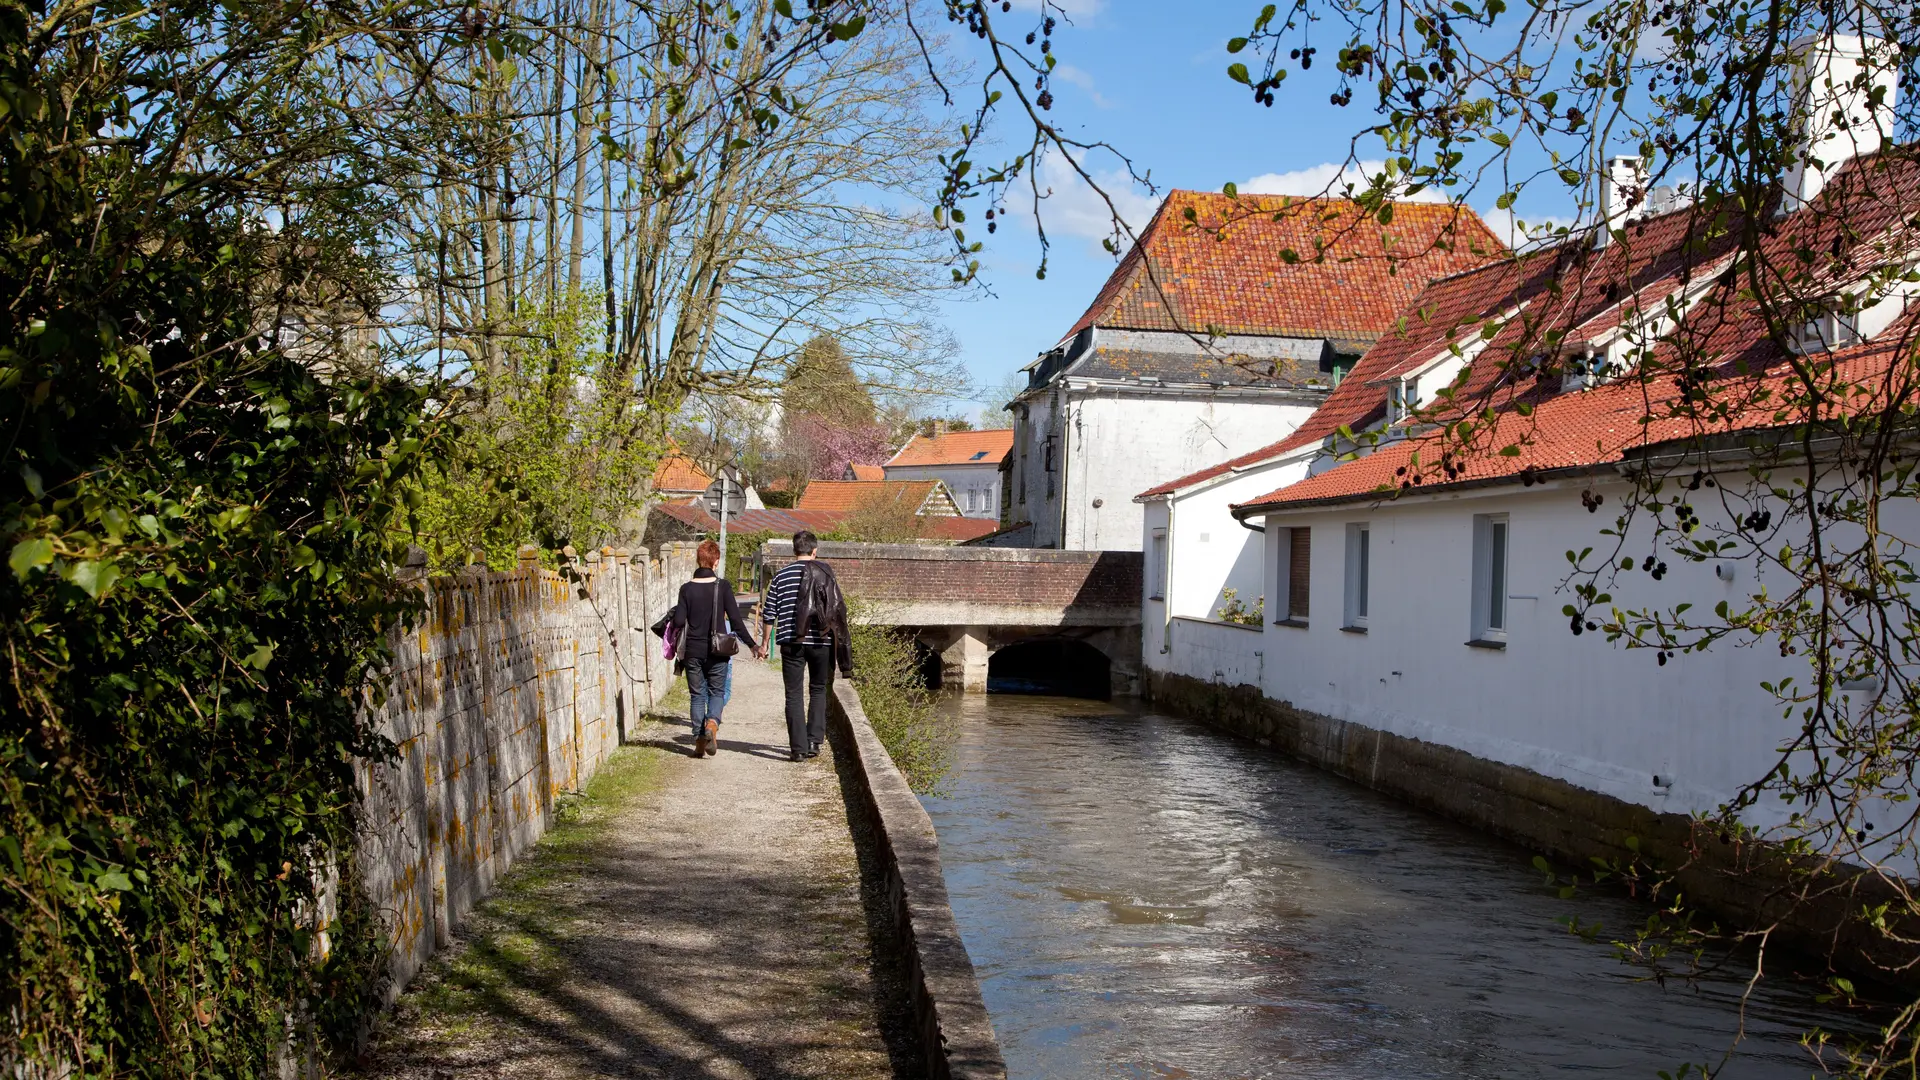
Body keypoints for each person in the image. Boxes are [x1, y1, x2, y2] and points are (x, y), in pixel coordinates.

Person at [760, 530, 853, 762]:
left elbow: (769, 613)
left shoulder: (781, 576)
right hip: (821, 641)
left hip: (791, 642)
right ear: (814, 551)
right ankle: (814, 741)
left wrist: (764, 644)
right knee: (818, 689)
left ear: (794, 551)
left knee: (793, 694)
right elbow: (837, 608)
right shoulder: (825, 572)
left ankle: (798, 749)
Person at [670, 539, 762, 757]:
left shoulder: (686, 589)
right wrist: (752, 645)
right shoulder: (723, 587)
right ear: (716, 561)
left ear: (698, 560)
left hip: (692, 651)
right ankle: (712, 724)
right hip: (718, 650)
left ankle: (699, 741)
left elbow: (679, 620)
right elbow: (737, 621)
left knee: (696, 695)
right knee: (717, 691)